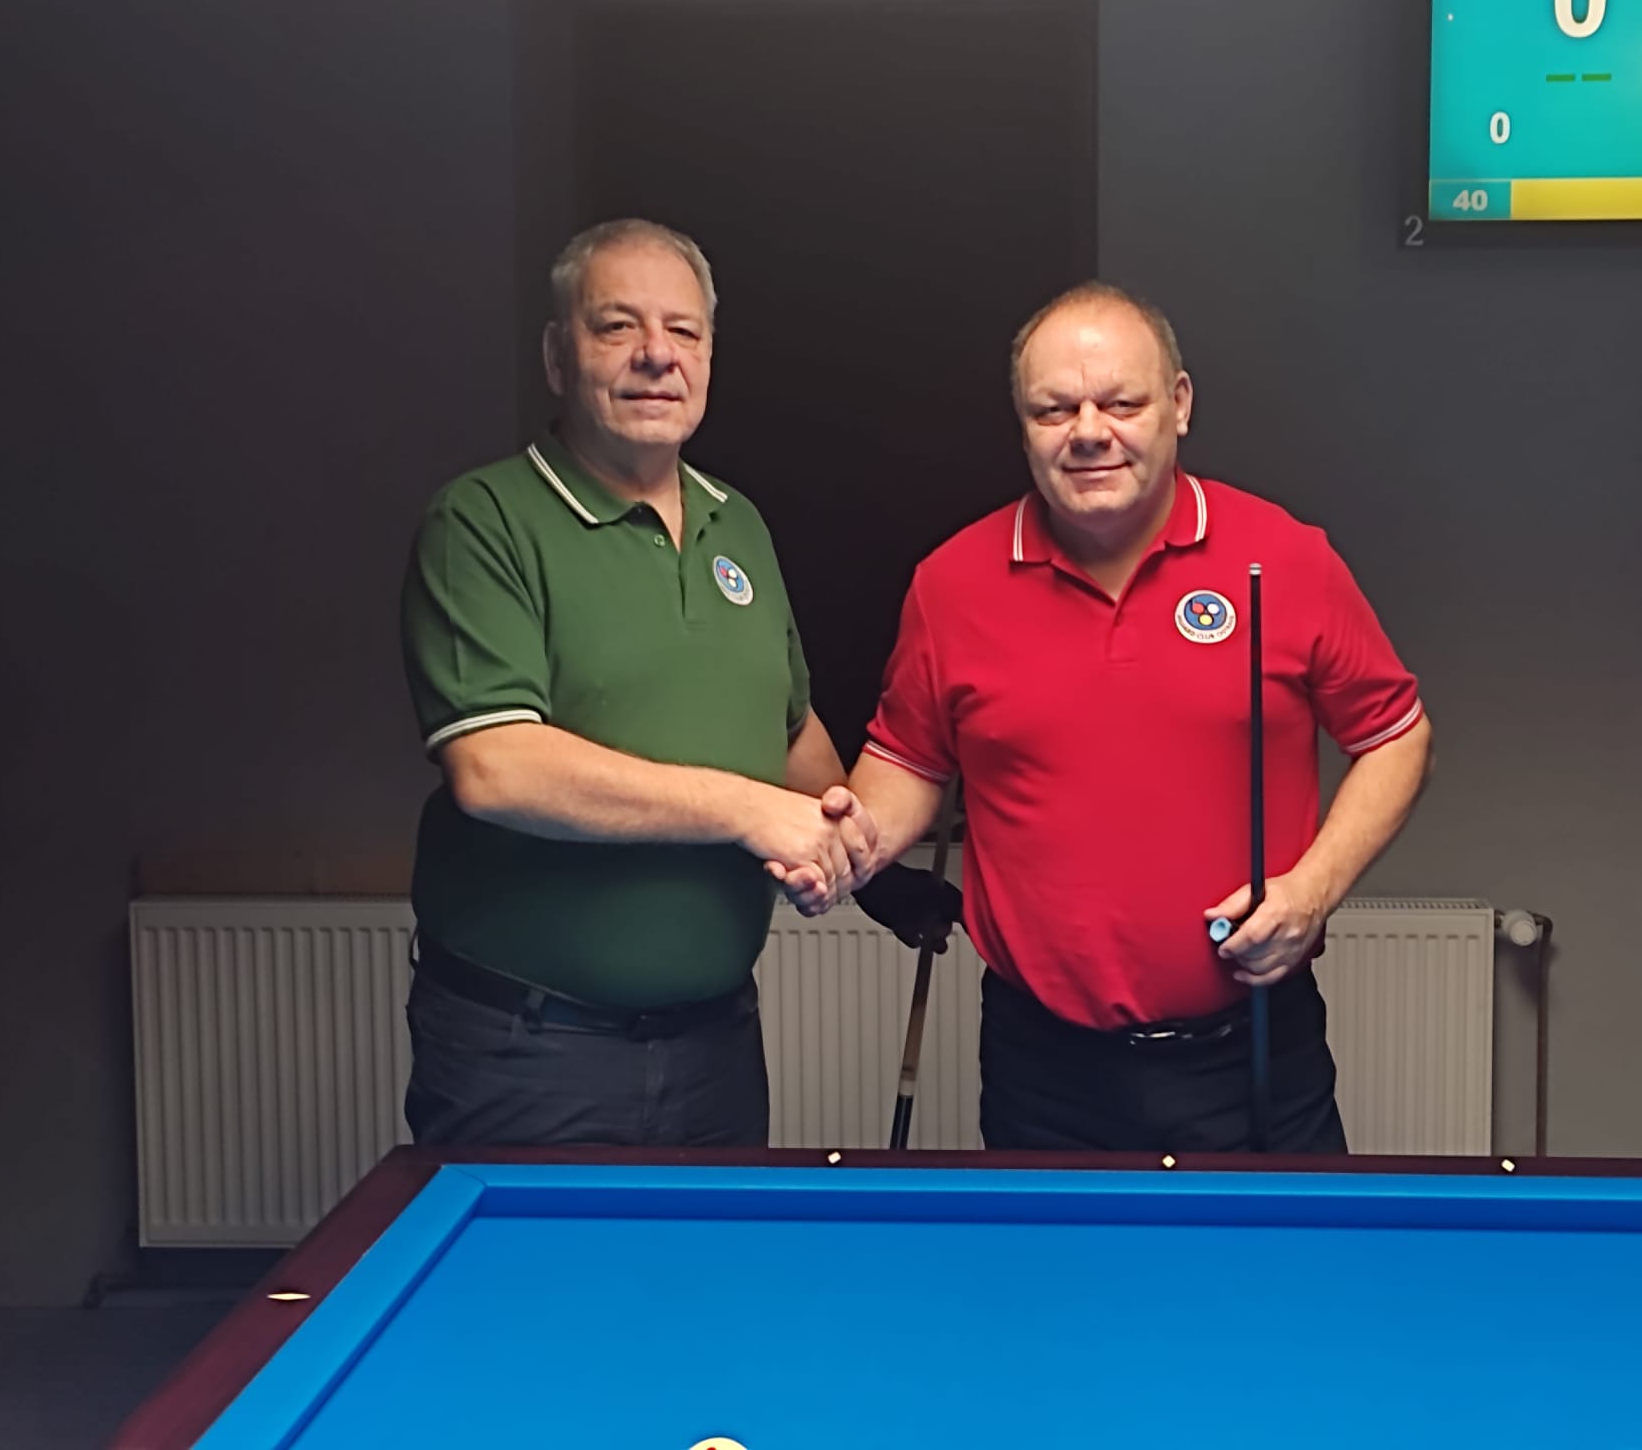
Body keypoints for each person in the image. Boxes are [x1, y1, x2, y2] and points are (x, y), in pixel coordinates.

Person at [800, 280, 1433, 1152]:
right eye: (1054, 409)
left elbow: (1396, 738)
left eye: (1121, 403)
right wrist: (851, 844)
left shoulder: (1286, 558)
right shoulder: (951, 584)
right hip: (1041, 1067)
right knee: (1050, 1254)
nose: (1089, 431)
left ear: (1179, 404)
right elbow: (910, 762)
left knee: (1280, 1251)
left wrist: (1313, 890)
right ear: (1023, 424)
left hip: (1253, 1047)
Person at [397, 217, 949, 1148]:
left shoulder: (741, 526)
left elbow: (787, 733)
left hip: (715, 1045)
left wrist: (863, 862)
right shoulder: (483, 521)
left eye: (683, 331)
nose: (657, 354)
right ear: (557, 356)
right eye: (617, 326)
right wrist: (745, 811)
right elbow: (497, 769)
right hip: (532, 1053)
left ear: (708, 356)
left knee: (717, 1255)